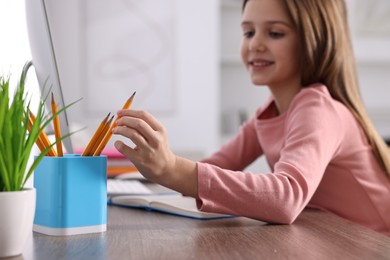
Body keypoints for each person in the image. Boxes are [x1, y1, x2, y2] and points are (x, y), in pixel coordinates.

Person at [112, 0, 390, 235]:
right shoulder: (267, 116)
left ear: (313, 41)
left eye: (275, 33)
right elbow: (214, 167)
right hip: (334, 238)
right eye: (248, 32)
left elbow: (285, 197)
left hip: (373, 244)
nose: (255, 44)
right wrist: (157, 170)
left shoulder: (318, 109)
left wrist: (172, 168)